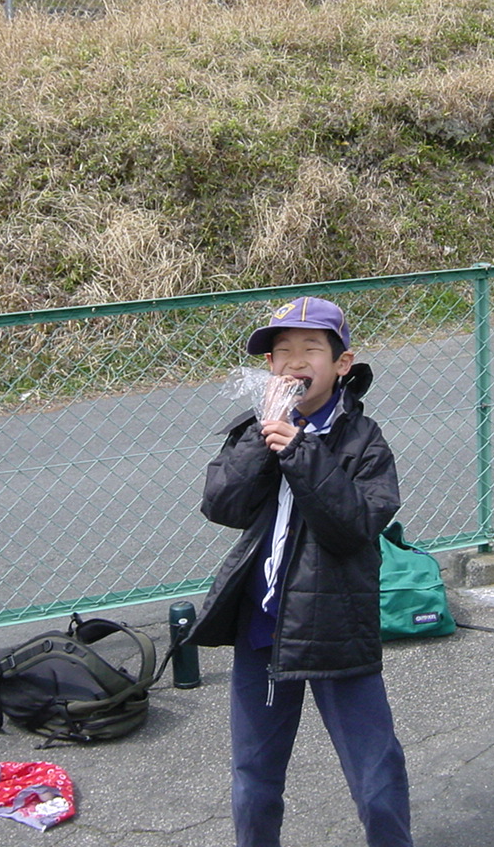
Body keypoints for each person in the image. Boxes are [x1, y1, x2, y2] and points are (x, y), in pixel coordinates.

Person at [186, 296, 413, 847]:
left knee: (376, 780)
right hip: (263, 630)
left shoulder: (365, 440)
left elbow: (355, 527)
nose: (295, 361)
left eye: (311, 349)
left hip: (338, 630)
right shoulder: (254, 430)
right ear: (269, 367)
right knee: (254, 780)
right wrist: (265, 436)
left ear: (341, 364)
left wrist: (301, 451)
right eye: (282, 351)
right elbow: (222, 504)